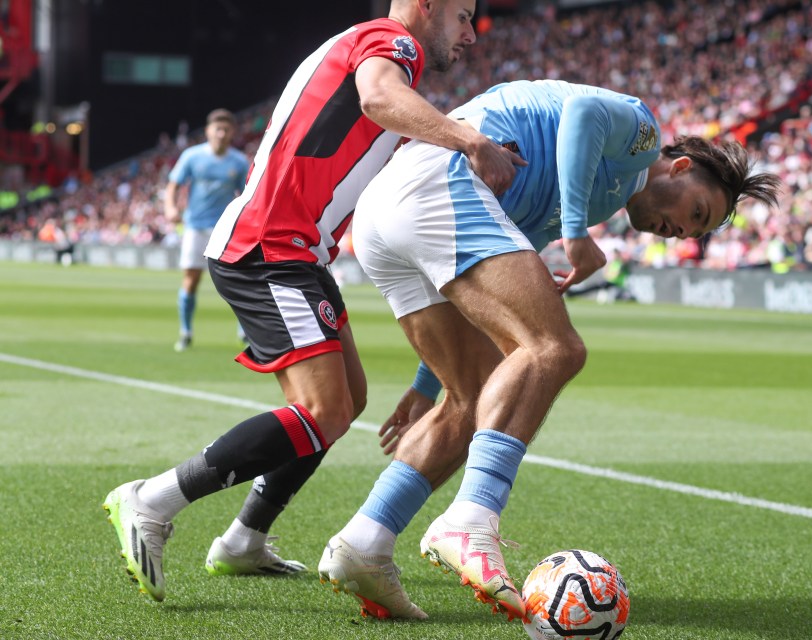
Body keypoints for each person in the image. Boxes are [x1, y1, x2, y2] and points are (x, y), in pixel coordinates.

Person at [103, 0, 523, 604]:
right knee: (324, 409)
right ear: (425, 5)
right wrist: (470, 141)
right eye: (462, 17)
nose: (470, 35)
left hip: (298, 250)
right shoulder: (391, 44)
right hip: (270, 244)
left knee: (347, 400)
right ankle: (152, 499)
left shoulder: (374, 50)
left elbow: (369, 130)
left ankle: (245, 538)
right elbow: (378, 98)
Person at [318, 79, 781, 620]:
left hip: (390, 216)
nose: (680, 232)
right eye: (696, 213)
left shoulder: (594, 193)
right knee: (555, 348)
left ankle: (364, 543)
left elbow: (494, 283)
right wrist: (576, 232)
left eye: (693, 233)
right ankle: (472, 517)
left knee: (471, 399)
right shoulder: (643, 135)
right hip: (440, 182)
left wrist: (427, 386)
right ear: (678, 170)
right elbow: (583, 112)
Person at [164, 108, 249, 352]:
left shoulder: (239, 161)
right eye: (217, 129)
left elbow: (246, 194)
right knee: (191, 280)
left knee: (238, 279)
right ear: (209, 131)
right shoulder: (192, 156)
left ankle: (244, 332)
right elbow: (173, 184)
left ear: (232, 132)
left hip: (225, 229)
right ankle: (185, 332)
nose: (221, 133)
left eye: (226, 129)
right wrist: (170, 207)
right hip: (195, 226)